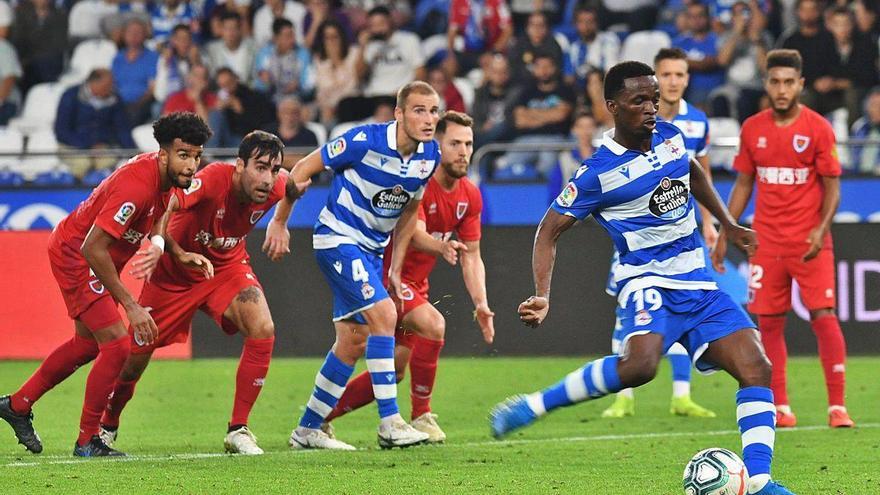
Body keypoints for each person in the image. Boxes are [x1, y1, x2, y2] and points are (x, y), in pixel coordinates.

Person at [490, 61, 795, 495]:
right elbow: (548, 231)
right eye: (639, 101)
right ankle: (534, 405)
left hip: (698, 283)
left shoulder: (671, 135)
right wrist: (543, 294)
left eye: (653, 98)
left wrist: (727, 223)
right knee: (640, 367)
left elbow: (691, 171)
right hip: (647, 281)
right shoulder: (597, 173)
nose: (651, 108)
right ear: (612, 106)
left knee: (756, 367)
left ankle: (760, 481)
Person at [0, 112, 212, 457]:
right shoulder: (137, 185)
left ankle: (18, 405)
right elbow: (92, 247)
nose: (191, 165)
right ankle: (87, 441)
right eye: (183, 155)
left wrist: (167, 248)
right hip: (78, 255)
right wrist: (130, 304)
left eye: (197, 156)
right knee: (117, 344)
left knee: (87, 346)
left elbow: (164, 210)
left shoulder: (165, 179)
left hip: (93, 255)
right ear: (163, 154)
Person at [99, 131, 304, 455]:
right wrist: (164, 246)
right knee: (133, 362)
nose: (268, 178)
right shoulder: (211, 180)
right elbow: (167, 204)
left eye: (274, 169)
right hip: (173, 277)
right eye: (260, 167)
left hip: (225, 268)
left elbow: (292, 184)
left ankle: (238, 428)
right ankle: (107, 425)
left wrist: (280, 222)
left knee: (263, 327)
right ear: (239, 165)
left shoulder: (276, 184)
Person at [265, 81, 441, 450]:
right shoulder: (363, 140)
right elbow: (301, 170)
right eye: (419, 110)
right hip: (338, 238)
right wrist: (280, 221)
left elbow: (410, 210)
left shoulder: (429, 157)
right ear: (399, 113)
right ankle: (390, 423)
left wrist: (395, 267)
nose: (428, 119)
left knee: (353, 340)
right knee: (384, 315)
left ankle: (309, 428)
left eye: (434, 111)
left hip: (373, 252)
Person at [322, 110, 495, 443]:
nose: (463, 151)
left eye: (469, 144)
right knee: (433, 324)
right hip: (387, 280)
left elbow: (472, 256)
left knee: (397, 370)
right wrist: (439, 248)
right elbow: (412, 231)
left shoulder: (470, 195)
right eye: (455, 143)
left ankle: (318, 417)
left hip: (417, 286)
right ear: (436, 145)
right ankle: (421, 417)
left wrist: (481, 304)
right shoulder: (420, 182)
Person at [712, 49, 855, 430]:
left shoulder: (818, 128)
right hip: (767, 243)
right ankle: (781, 407)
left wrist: (820, 230)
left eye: (789, 82)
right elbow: (743, 182)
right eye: (775, 81)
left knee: (824, 316)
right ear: (766, 84)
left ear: (800, 85)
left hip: (809, 243)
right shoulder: (753, 129)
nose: (781, 89)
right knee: (769, 323)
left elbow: (832, 188)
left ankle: (837, 406)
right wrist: (728, 228)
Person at [602, 47, 726, 420]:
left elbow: (699, 173)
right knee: (629, 307)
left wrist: (709, 222)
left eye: (679, 75)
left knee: (682, 305)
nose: (673, 81)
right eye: (666, 75)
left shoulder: (697, 123)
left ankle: (681, 395)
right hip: (639, 236)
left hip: (681, 233)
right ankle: (623, 396)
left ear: (687, 79)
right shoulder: (630, 121)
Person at [54, 69, 136, 179]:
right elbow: (61, 131)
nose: (111, 87)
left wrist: (134, 153)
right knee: (82, 164)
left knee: (107, 162)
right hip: (72, 145)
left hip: (102, 147)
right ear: (94, 83)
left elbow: (122, 129)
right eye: (107, 85)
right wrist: (88, 145)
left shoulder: (115, 99)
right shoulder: (70, 96)